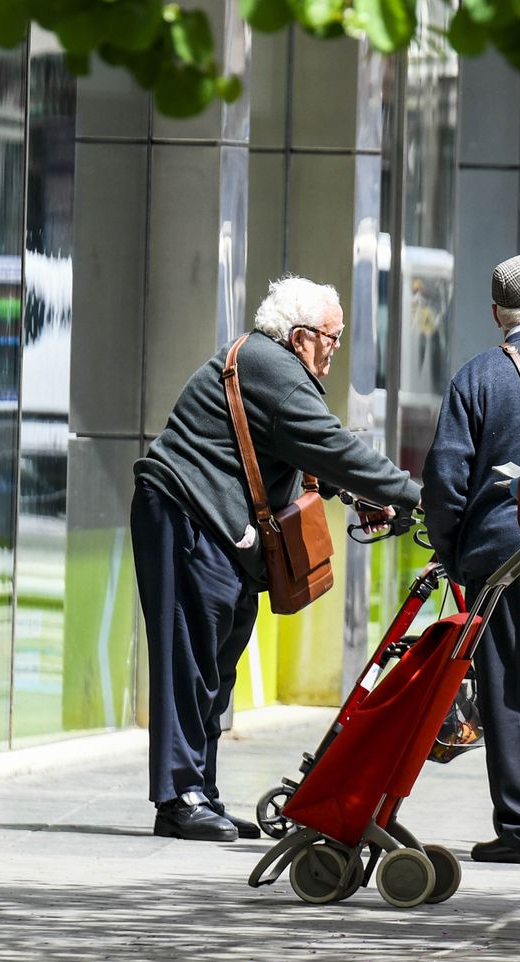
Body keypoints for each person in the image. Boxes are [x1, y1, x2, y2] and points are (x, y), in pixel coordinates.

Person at [133, 275, 421, 842]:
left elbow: (300, 449)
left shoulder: (275, 368)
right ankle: (179, 796)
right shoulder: (276, 371)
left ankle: (200, 791)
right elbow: (331, 445)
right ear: (298, 335)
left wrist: (361, 495)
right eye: (330, 338)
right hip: (186, 514)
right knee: (189, 659)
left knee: (214, 663)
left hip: (214, 527)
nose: (335, 349)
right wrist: (419, 494)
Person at [422, 253, 520, 864]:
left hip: (500, 560)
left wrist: (456, 555)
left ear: (496, 314)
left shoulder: (478, 376)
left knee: (507, 691)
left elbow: (445, 479)